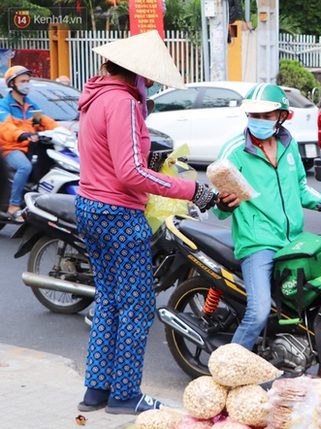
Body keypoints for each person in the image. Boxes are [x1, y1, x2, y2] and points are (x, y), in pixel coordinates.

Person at [74, 30, 233, 415]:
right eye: (147, 79)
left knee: (110, 300)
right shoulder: (124, 103)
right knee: (139, 305)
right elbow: (130, 173)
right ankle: (126, 395)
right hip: (117, 213)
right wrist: (193, 190)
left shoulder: (94, 97)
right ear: (137, 75)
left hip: (89, 206)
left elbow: (111, 160)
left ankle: (96, 391)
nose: (148, 85)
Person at [212, 83, 321, 351]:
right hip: (258, 243)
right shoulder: (234, 151)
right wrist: (225, 204)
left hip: (293, 241)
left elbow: (300, 187)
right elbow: (217, 207)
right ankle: (228, 371)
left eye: (266, 116)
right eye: (255, 116)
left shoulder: (289, 146)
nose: (260, 122)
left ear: (282, 116)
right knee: (258, 313)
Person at [0, 65, 61, 220]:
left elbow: (45, 122)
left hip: (32, 147)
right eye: (22, 81)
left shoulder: (31, 106)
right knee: (24, 166)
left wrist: (64, 131)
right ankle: (13, 206)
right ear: (12, 84)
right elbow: (6, 127)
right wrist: (21, 134)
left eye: (28, 80)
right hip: (11, 147)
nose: (27, 84)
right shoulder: (4, 105)